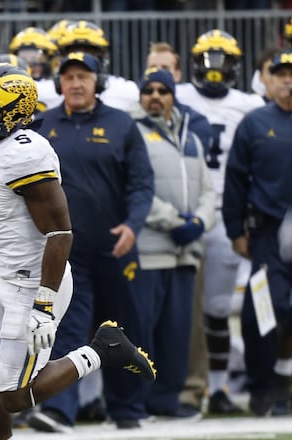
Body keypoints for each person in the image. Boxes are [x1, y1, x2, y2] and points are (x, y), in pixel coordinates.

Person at [0, 62, 156, 440]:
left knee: (14, 396)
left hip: (35, 282)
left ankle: (102, 350)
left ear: (14, 113)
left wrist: (44, 304)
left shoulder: (28, 153)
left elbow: (59, 232)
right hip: (0, 275)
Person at [28, 52, 155, 431]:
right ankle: (59, 410)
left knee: (124, 325)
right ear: (58, 84)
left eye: (84, 76)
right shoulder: (42, 125)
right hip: (65, 250)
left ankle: (127, 408)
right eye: (68, 77)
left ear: (98, 82)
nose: (76, 83)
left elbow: (142, 182)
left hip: (115, 245)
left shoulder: (122, 125)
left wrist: (133, 225)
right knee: (67, 326)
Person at [175, 29, 266, 414]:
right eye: (209, 60)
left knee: (215, 306)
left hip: (228, 212)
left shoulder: (249, 104)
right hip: (189, 208)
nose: (215, 69)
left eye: (223, 61)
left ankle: (219, 389)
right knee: (181, 307)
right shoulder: (178, 95)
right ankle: (182, 387)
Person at [128, 67, 216, 420]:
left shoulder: (191, 138)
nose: (155, 96)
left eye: (162, 90)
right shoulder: (132, 134)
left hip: (185, 252)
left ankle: (169, 401)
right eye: (148, 90)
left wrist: (199, 222)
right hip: (150, 250)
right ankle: (139, 401)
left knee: (179, 332)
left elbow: (209, 191)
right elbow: (135, 191)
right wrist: (175, 222)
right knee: (142, 332)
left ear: (172, 97)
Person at [223, 49, 292, 416]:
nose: (287, 79)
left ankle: (284, 379)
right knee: (264, 312)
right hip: (267, 232)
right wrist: (235, 228)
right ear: (268, 79)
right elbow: (235, 178)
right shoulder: (254, 123)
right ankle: (264, 387)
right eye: (280, 73)